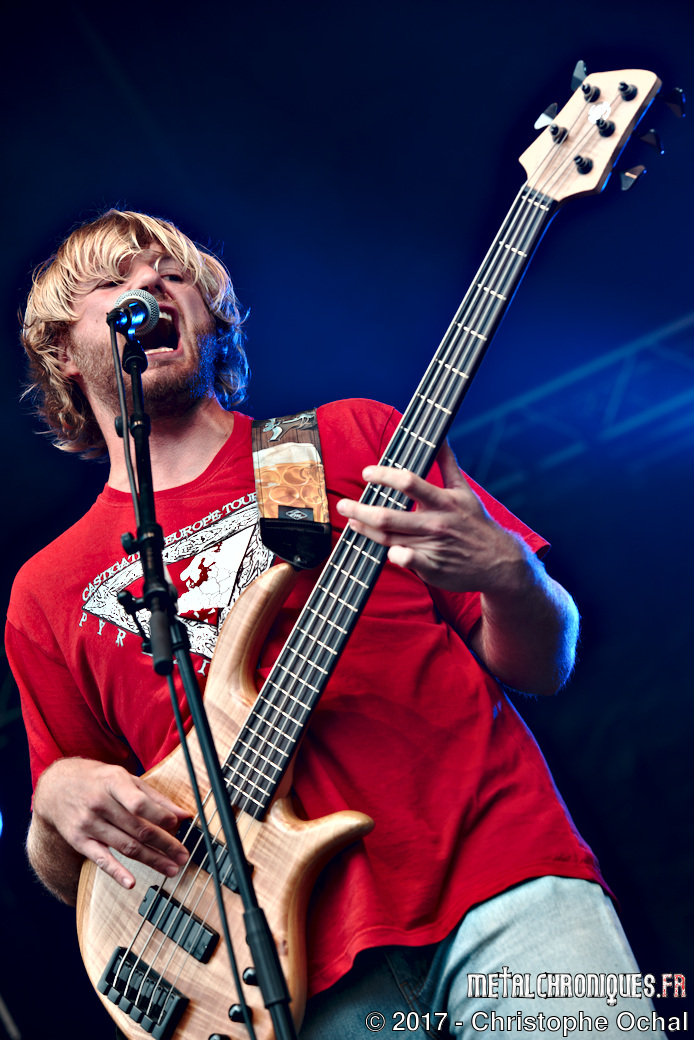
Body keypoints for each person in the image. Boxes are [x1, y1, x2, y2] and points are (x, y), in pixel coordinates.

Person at [6, 210, 663, 1039]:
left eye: (172, 274)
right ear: (62, 351)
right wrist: (54, 801)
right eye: (112, 281)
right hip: (277, 975)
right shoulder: (49, 591)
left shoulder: (350, 439)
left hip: (500, 878)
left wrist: (510, 575)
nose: (149, 286)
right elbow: (80, 863)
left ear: (210, 317)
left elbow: (544, 662)